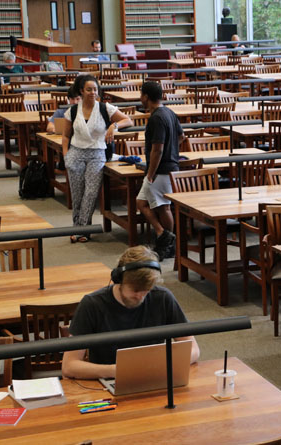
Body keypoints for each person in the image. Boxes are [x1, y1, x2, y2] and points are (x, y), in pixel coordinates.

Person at [62, 245, 200, 380]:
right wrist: (117, 371)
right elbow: (69, 366)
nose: (140, 296)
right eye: (135, 290)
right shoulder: (92, 304)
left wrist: (162, 366)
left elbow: (193, 349)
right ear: (119, 279)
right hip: (108, 380)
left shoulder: (162, 298)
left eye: (146, 290)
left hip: (153, 376)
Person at [61, 74, 132, 243]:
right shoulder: (72, 110)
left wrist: (113, 126)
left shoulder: (105, 108)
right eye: (89, 89)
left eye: (95, 89)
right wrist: (66, 156)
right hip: (76, 154)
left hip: (97, 154)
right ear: (81, 91)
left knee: (91, 192)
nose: (93, 92)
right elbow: (65, 136)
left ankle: (83, 230)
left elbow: (128, 120)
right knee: (77, 194)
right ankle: (77, 228)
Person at [136, 81, 182, 260]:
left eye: (141, 95)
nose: (140, 98)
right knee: (141, 202)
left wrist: (151, 173)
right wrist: (174, 151)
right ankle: (163, 233)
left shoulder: (156, 118)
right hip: (167, 166)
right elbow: (181, 136)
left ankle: (168, 244)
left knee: (164, 207)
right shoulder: (169, 112)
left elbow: (157, 149)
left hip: (161, 170)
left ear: (146, 97)